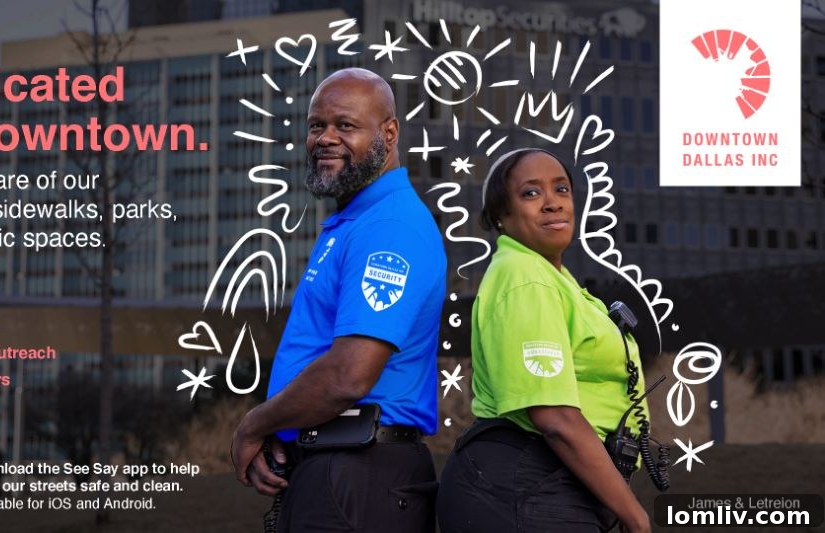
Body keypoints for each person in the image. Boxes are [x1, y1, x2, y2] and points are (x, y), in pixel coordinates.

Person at [231, 67, 446, 533]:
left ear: (388, 134)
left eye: (345, 125)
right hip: (337, 470)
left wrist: (253, 425)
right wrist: (283, 430)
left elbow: (348, 375)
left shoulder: (390, 227)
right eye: (316, 125)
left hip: (359, 476)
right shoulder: (357, 220)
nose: (325, 138)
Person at [436, 148, 652, 533]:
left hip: (550, 484)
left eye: (562, 190)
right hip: (522, 485)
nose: (552, 203)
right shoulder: (525, 278)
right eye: (531, 193)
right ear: (501, 215)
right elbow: (554, 417)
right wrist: (634, 516)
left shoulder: (555, 280)